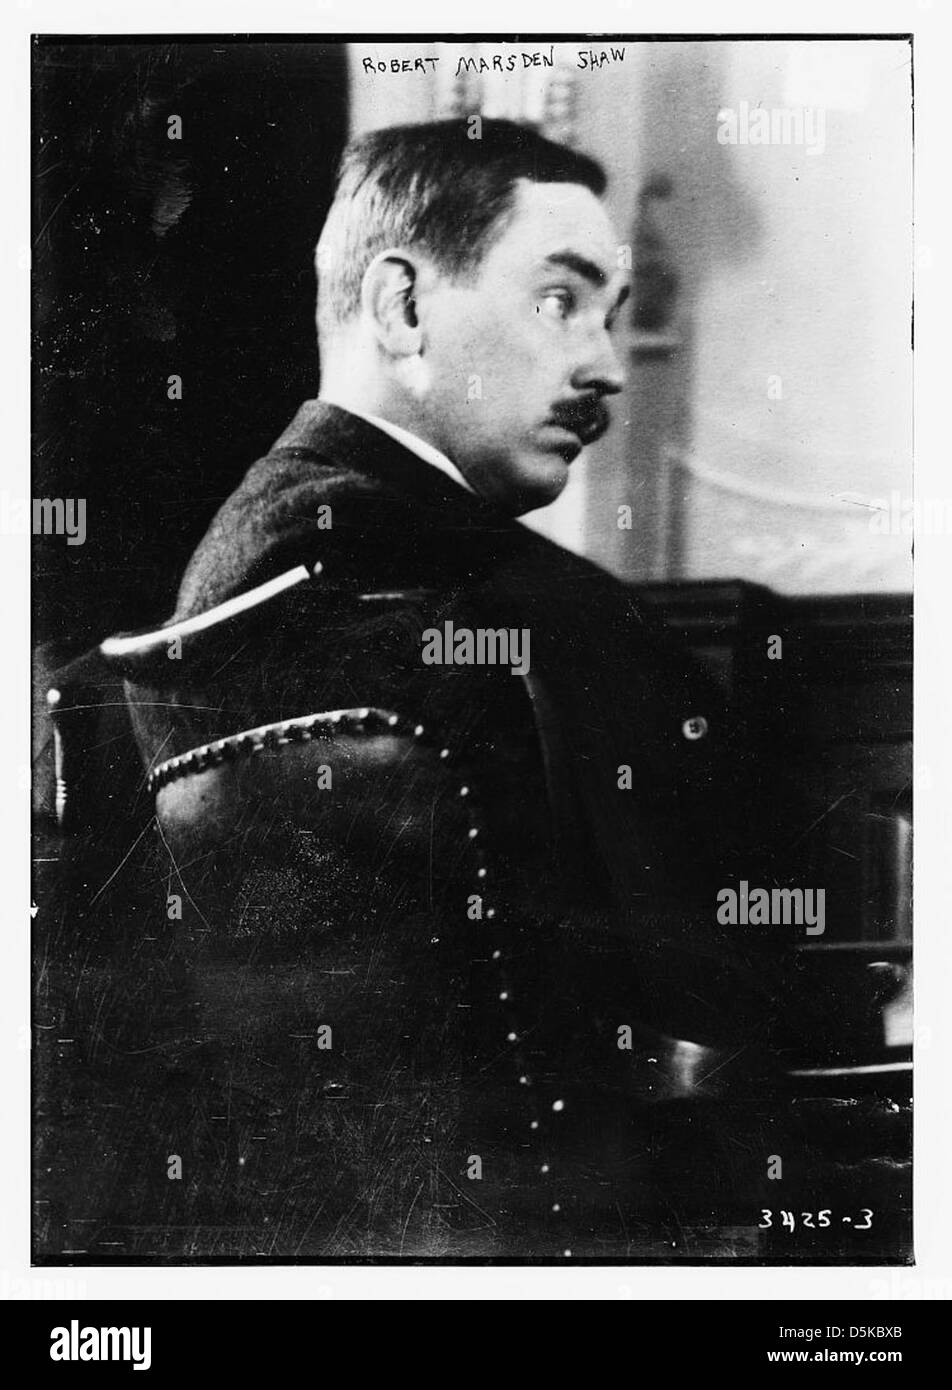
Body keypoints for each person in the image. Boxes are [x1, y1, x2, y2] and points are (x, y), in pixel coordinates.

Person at [115, 119, 781, 1257]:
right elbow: (705, 1002)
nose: (606, 368)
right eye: (558, 301)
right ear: (402, 309)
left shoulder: (254, 560)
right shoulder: (495, 605)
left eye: (612, 317)